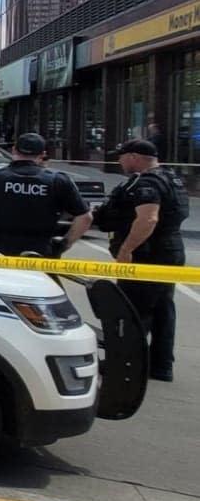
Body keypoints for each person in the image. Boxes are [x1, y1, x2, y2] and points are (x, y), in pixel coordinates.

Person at [92, 139, 186, 382]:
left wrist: (126, 249)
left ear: (133, 156)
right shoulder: (171, 178)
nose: (119, 161)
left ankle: (123, 362)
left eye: (121, 157)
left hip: (147, 253)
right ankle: (161, 365)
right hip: (170, 251)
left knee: (132, 309)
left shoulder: (147, 183)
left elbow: (149, 218)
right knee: (163, 309)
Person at [0, 132, 91, 257]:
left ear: (14, 150)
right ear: (42, 154)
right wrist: (63, 245)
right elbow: (85, 218)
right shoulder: (59, 181)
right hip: (40, 254)